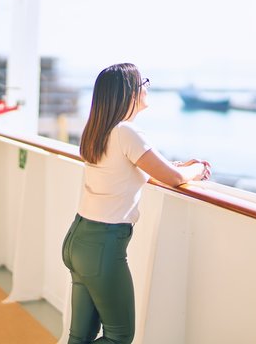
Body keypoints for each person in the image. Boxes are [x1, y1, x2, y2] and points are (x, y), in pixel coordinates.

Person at [61, 63, 211, 344]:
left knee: (79, 337)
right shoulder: (126, 133)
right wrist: (198, 169)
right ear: (130, 92)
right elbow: (176, 178)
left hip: (77, 239)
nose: (147, 87)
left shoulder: (99, 130)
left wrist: (173, 166)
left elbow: (136, 168)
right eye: (143, 82)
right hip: (102, 246)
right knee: (119, 337)